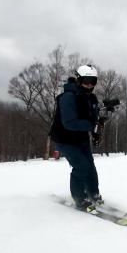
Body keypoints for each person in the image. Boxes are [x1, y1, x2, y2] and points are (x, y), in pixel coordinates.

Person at [50, 64, 106, 210]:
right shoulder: (68, 97)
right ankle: (79, 198)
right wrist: (91, 125)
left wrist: (98, 123)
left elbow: (92, 117)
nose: (89, 85)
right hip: (65, 139)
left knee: (90, 167)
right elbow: (69, 123)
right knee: (81, 167)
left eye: (93, 81)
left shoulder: (90, 97)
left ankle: (93, 194)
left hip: (80, 139)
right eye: (86, 81)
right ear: (79, 80)